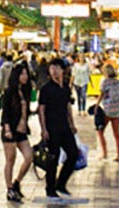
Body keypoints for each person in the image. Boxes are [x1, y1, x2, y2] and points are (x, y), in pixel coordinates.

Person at [35, 58, 79, 200]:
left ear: (62, 70)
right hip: (51, 128)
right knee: (53, 158)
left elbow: (67, 107)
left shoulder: (65, 87)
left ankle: (61, 183)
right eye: (52, 68)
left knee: (73, 154)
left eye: (57, 68)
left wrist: (72, 124)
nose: (54, 71)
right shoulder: (46, 89)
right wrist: (43, 129)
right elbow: (41, 110)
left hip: (64, 127)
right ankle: (50, 189)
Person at [0, 64, 35, 203]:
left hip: (22, 130)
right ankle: (9, 189)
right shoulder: (9, 91)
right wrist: (7, 128)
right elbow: (5, 112)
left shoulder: (26, 90)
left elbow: (25, 110)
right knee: (10, 160)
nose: (25, 77)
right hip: (10, 130)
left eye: (26, 74)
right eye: (22, 74)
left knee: (29, 157)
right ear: (16, 76)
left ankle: (16, 182)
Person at [95, 64, 119, 161]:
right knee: (117, 134)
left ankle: (104, 153)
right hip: (117, 110)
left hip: (107, 110)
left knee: (100, 132)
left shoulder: (105, 82)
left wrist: (96, 105)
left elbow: (101, 95)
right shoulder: (118, 82)